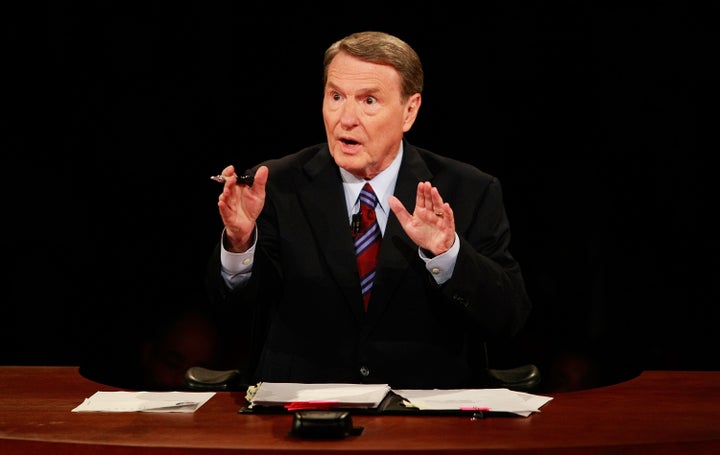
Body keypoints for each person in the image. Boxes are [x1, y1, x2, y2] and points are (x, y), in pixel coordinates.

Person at [205, 31, 531, 389]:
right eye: (336, 96)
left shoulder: (469, 190)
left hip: (426, 417)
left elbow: (508, 318)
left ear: (410, 110)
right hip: (301, 414)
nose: (346, 118)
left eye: (369, 100)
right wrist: (240, 244)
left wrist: (447, 253)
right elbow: (232, 314)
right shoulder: (275, 185)